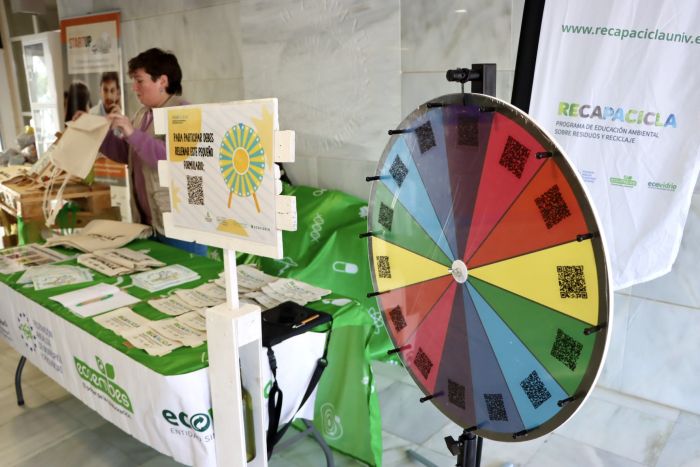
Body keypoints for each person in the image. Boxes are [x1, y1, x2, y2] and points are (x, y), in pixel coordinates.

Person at [98, 48, 206, 255]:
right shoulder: (143, 114)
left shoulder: (184, 113)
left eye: (140, 81)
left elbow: (172, 159)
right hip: (149, 224)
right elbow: (129, 155)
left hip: (179, 224)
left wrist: (131, 132)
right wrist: (100, 135)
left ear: (162, 81)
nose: (134, 88)